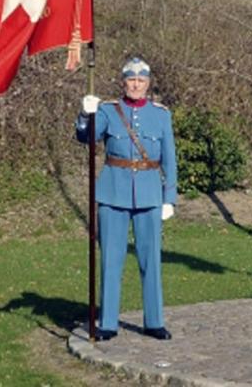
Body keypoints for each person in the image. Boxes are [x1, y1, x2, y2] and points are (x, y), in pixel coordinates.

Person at [76, 57, 177, 341]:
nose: (136, 85)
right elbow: (87, 138)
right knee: (111, 259)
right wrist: (86, 115)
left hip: (149, 194)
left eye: (141, 80)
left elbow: (169, 158)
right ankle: (107, 322)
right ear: (123, 82)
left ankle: (154, 320)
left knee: (151, 260)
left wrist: (169, 196)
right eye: (131, 80)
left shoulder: (161, 115)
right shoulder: (109, 111)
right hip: (113, 194)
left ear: (148, 84)